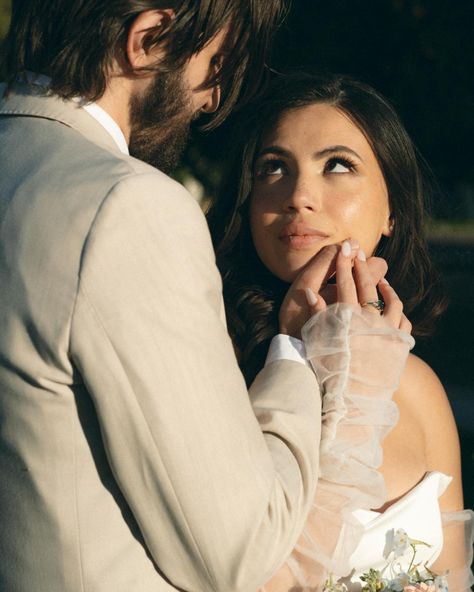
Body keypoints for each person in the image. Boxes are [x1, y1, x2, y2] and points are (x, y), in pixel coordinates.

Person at [0, 4, 354, 591]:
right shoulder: (124, 206)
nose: (212, 100)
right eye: (214, 64)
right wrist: (294, 350)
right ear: (147, 41)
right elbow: (238, 550)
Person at [207, 72, 474, 590]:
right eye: (273, 168)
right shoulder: (212, 365)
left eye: (337, 165)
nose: (299, 196)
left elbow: (454, 575)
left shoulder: (417, 386)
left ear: (393, 207)